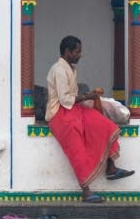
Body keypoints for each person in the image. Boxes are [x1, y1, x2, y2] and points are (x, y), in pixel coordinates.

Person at [45, 35, 134, 202]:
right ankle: (86, 191)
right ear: (68, 52)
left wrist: (89, 97)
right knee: (76, 146)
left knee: (104, 125)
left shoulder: (70, 68)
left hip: (73, 110)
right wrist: (88, 95)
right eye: (77, 52)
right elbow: (65, 100)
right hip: (59, 114)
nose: (80, 55)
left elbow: (72, 99)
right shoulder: (58, 69)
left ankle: (111, 167)